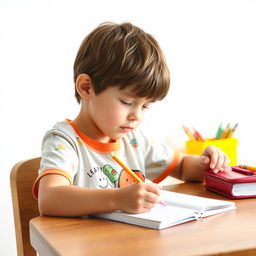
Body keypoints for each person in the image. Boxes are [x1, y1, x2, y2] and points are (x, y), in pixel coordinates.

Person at [33, 22, 229, 216]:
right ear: (86, 87)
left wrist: (205, 164)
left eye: (146, 106)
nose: (137, 116)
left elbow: (183, 167)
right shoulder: (64, 141)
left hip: (130, 244)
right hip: (85, 246)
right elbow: (50, 198)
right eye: (127, 102)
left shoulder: (134, 141)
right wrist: (117, 199)